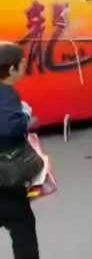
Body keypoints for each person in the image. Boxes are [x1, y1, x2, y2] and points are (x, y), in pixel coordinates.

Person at [0, 42, 39, 259]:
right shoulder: (5, 93)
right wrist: (25, 118)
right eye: (23, 64)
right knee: (23, 228)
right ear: (12, 69)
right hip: (6, 180)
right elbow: (8, 127)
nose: (25, 68)